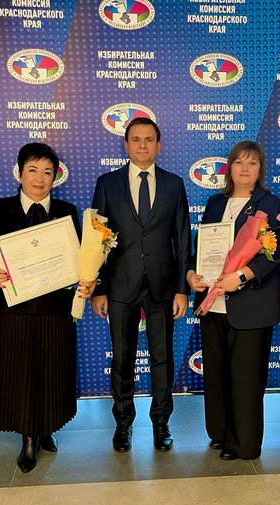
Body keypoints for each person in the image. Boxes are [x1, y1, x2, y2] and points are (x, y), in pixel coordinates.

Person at [0, 143, 94, 473]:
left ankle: (47, 427)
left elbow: (82, 258)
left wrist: (88, 279)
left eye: (47, 172)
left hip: (57, 309)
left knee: (54, 370)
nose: (39, 179)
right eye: (32, 170)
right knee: (20, 372)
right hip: (14, 309)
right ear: (20, 173)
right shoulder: (0, 209)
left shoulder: (67, 210)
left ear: (55, 176)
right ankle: (28, 437)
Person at [91, 117, 192, 453]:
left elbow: (182, 238)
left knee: (162, 358)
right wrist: (99, 288)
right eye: (136, 139)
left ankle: (161, 423)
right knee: (123, 359)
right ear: (126, 145)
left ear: (159, 145)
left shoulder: (174, 184)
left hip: (163, 286)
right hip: (120, 286)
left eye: (149, 139)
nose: (143, 145)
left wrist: (182, 289)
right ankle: (123, 425)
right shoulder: (107, 184)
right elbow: (96, 239)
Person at [187, 140, 280, 460]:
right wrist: (192, 274)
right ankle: (220, 432)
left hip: (251, 304)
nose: (245, 168)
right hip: (213, 302)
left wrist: (241, 276)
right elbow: (201, 247)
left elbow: (273, 254)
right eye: (239, 162)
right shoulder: (215, 202)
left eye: (252, 163)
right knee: (217, 374)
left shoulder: (271, 204)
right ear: (229, 168)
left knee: (246, 378)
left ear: (260, 169)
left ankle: (244, 443)